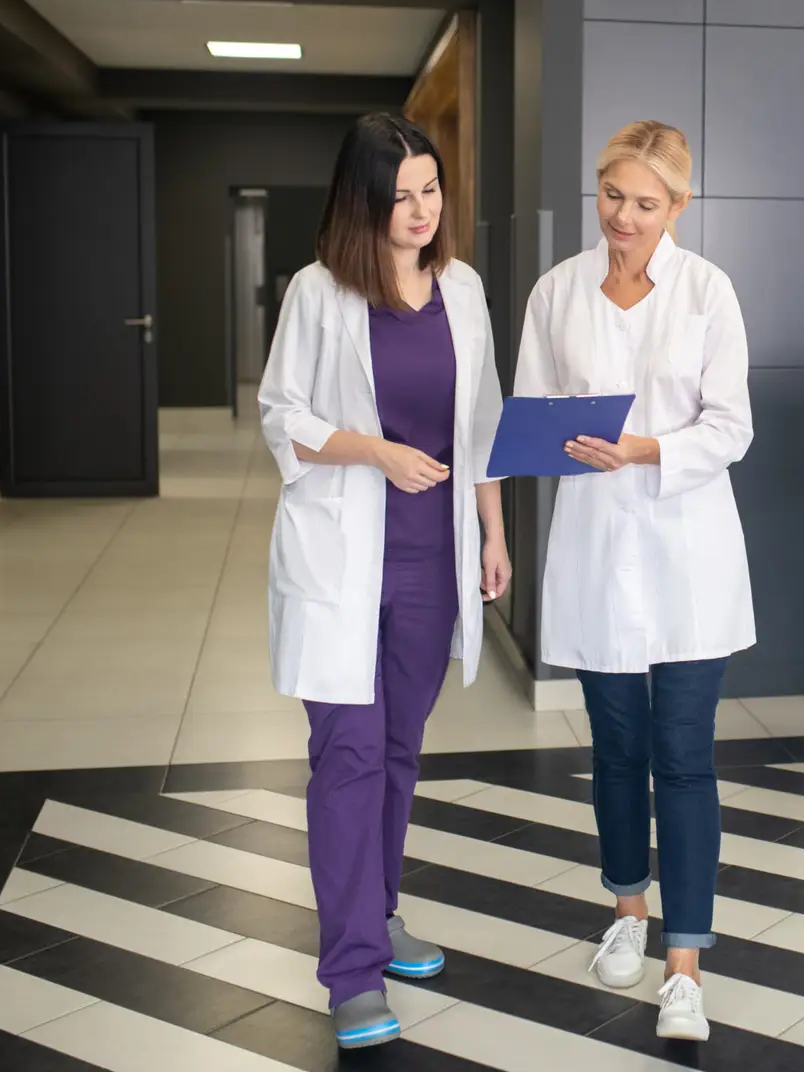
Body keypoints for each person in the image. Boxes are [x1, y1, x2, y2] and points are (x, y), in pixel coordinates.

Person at [257, 113, 510, 1050]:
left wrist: (491, 534)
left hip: (429, 559)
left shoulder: (466, 290)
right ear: (362, 200)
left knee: (400, 752)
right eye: (400, 195)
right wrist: (376, 452)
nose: (420, 211)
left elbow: (480, 423)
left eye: (432, 190)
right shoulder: (319, 294)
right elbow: (282, 417)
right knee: (350, 758)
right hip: (339, 556)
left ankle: (383, 908)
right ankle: (352, 969)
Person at [514, 120, 754, 1044]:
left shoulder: (707, 293)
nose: (622, 217)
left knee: (684, 757)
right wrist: (556, 443)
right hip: (594, 545)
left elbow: (729, 428)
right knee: (615, 750)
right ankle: (625, 913)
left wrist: (648, 446)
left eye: (644, 204)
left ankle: (685, 965)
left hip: (688, 550)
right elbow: (529, 415)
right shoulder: (557, 291)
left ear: (678, 208)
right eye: (611, 195)